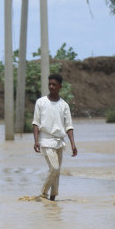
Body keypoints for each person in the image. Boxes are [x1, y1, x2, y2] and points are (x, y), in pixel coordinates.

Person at [32, 73, 78, 201]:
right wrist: (36, 141)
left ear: (60, 87)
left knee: (56, 173)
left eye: (54, 85)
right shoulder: (41, 102)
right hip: (46, 141)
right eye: (50, 84)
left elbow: (69, 126)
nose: (51, 87)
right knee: (55, 168)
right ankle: (43, 194)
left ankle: (53, 199)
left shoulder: (64, 105)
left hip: (59, 142)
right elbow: (35, 123)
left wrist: (73, 144)